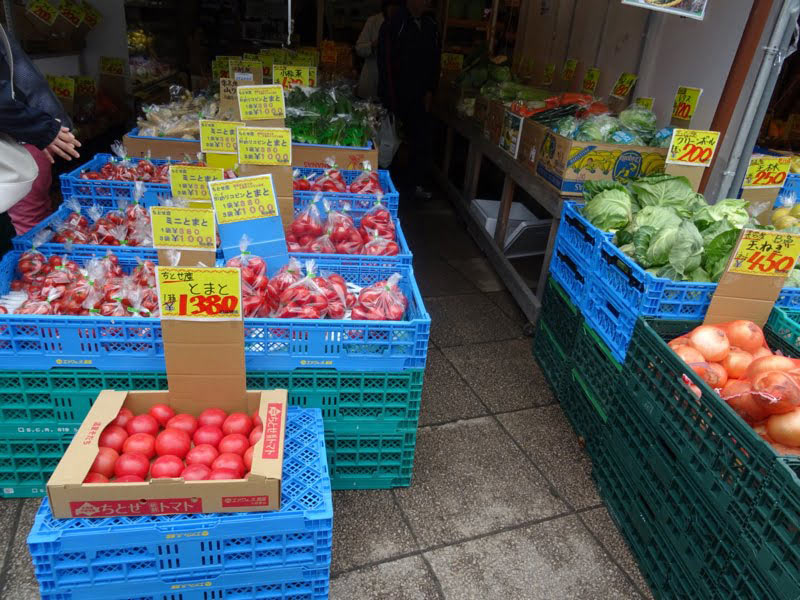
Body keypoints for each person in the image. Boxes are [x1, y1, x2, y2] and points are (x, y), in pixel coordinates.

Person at [0, 23, 80, 243]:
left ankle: (40, 267)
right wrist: (45, 130)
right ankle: (38, 267)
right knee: (31, 219)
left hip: (27, 136)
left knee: (32, 216)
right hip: (22, 138)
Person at [378, 0, 440, 199]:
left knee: (420, 140)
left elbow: (435, 61)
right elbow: (385, 62)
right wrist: (390, 98)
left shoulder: (431, 25)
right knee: (392, 140)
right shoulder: (395, 22)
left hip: (421, 95)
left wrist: (431, 90)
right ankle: (388, 187)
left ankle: (413, 185)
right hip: (397, 93)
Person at [355, 0, 401, 100]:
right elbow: (359, 49)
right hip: (371, 85)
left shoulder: (404, 24)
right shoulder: (373, 21)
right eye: (391, 6)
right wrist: (373, 45)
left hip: (394, 88)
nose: (393, 10)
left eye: (396, 7)